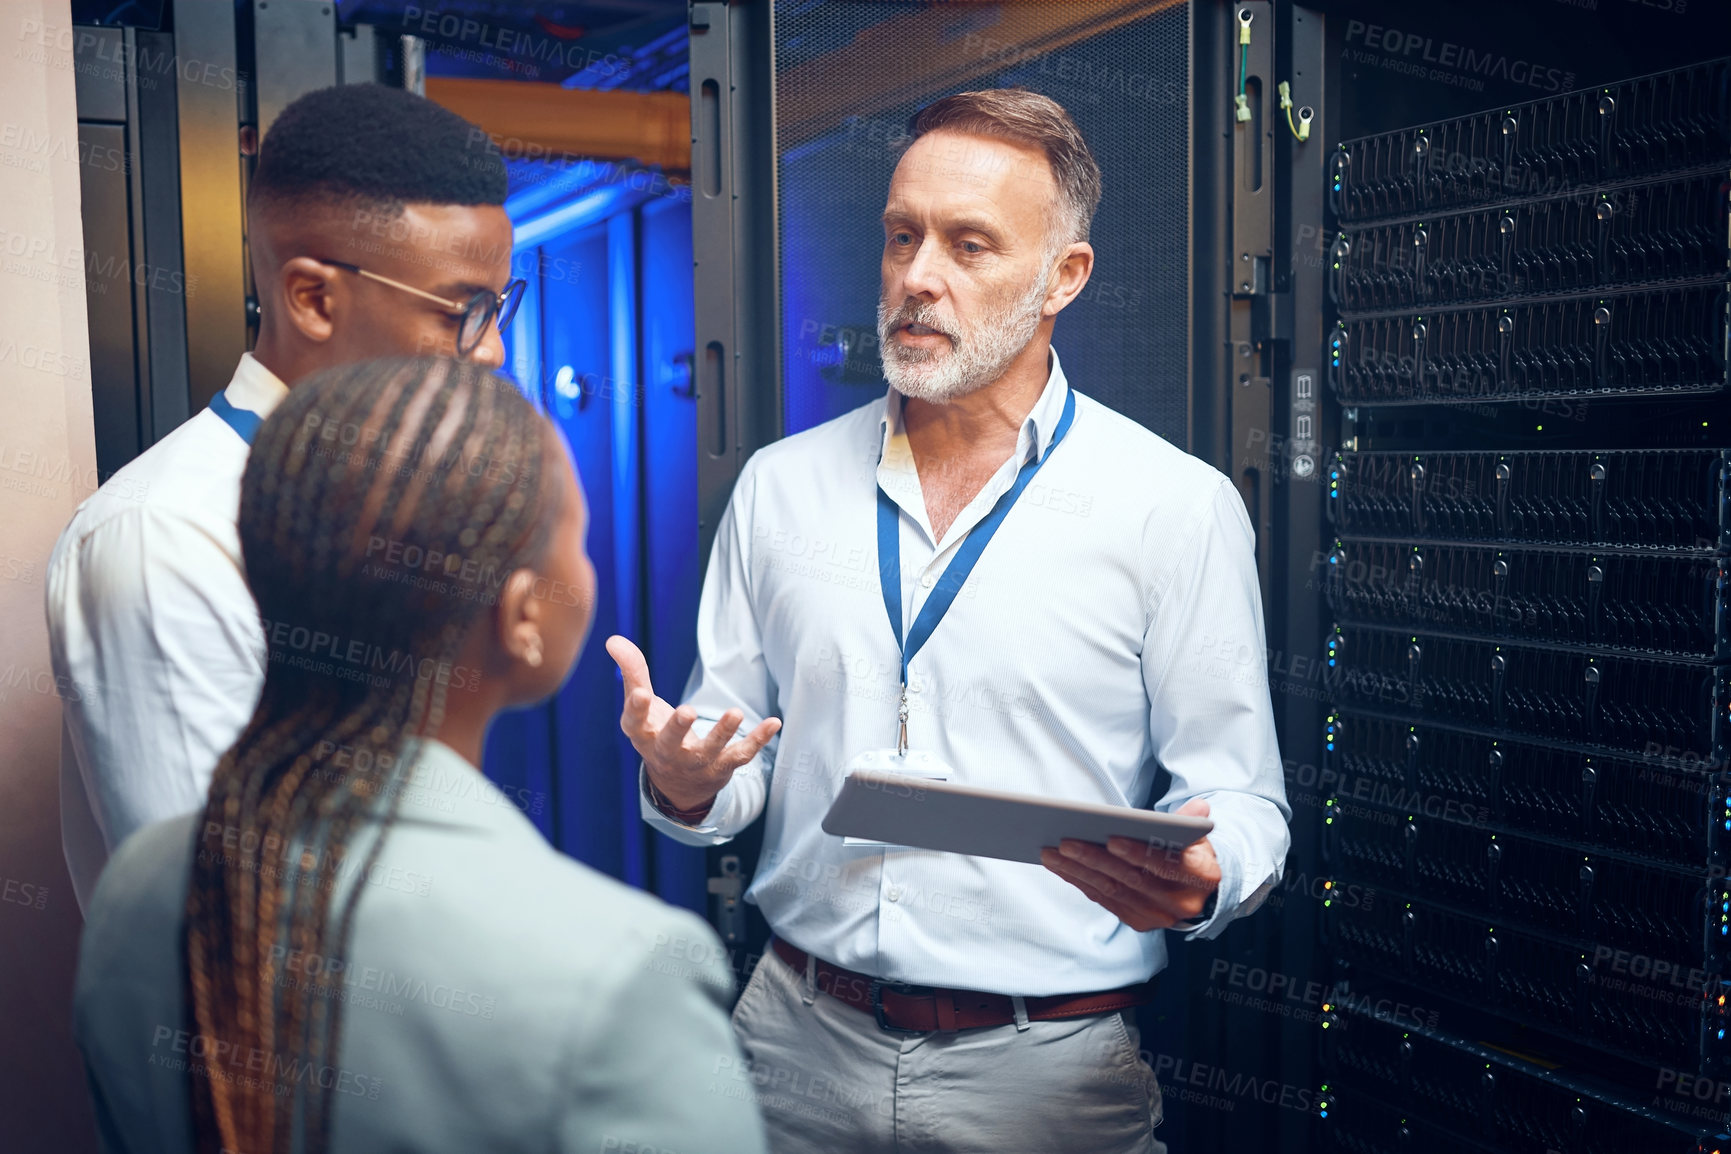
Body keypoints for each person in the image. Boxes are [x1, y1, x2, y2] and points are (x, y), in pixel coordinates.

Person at [608, 88, 1291, 1152]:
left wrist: (1208, 873)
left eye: (969, 245)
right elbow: (735, 757)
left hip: (1045, 1076)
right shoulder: (780, 487)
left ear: (1065, 276)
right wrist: (685, 779)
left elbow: (1244, 797)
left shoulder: (1174, 505)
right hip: (792, 1043)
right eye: (901, 235)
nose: (918, 276)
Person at [74, 357, 769, 1154]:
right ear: (521, 618)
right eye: (574, 542)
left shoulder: (137, 886)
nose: (585, 567)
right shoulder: (621, 975)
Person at [47, 83, 527, 910]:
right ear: (312, 299)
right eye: (465, 311)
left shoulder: (389, 506)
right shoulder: (165, 538)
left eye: (499, 306)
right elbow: (227, 918)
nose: (492, 351)